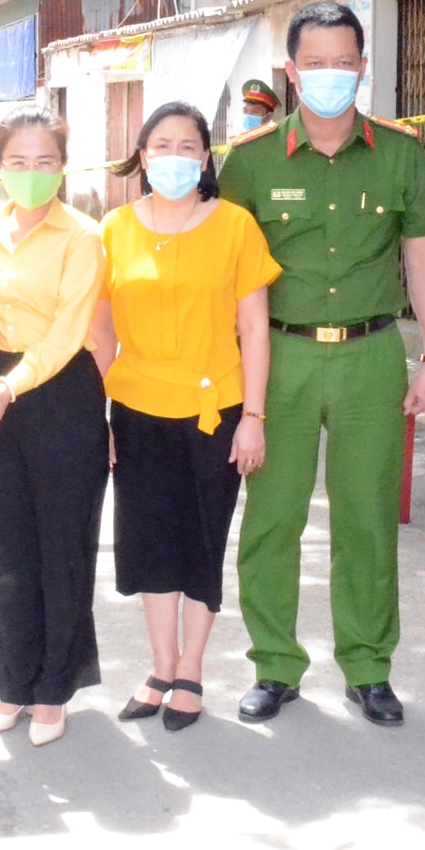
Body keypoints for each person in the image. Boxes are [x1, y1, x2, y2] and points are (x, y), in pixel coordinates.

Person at [218, 1, 425, 727]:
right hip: (279, 358)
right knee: (272, 518)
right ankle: (276, 665)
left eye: (341, 62)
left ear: (361, 66)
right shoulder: (251, 159)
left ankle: (368, 666)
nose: (328, 75)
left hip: (370, 357)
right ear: (291, 72)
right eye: (313, 63)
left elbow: (422, 261)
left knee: (367, 518)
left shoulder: (399, 153)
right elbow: (230, 273)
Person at [93, 102, 278, 730]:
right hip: (138, 411)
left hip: (215, 410)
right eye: (162, 146)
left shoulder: (235, 226)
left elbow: (254, 327)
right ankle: (161, 665)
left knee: (202, 541)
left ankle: (193, 669)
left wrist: (253, 415)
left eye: (188, 146)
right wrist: (99, 418)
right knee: (150, 543)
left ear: (205, 157)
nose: (175, 157)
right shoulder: (114, 229)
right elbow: (101, 334)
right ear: (143, 157)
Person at [0, 106, 109, 748]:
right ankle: (9, 683)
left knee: (61, 545)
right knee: (1, 544)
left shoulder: (83, 236)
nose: (31, 173)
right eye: (19, 163)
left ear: (63, 165)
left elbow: (67, 333)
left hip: (58, 394)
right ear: (1, 168)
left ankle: (53, 689)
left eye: (44, 162)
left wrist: (9, 385)